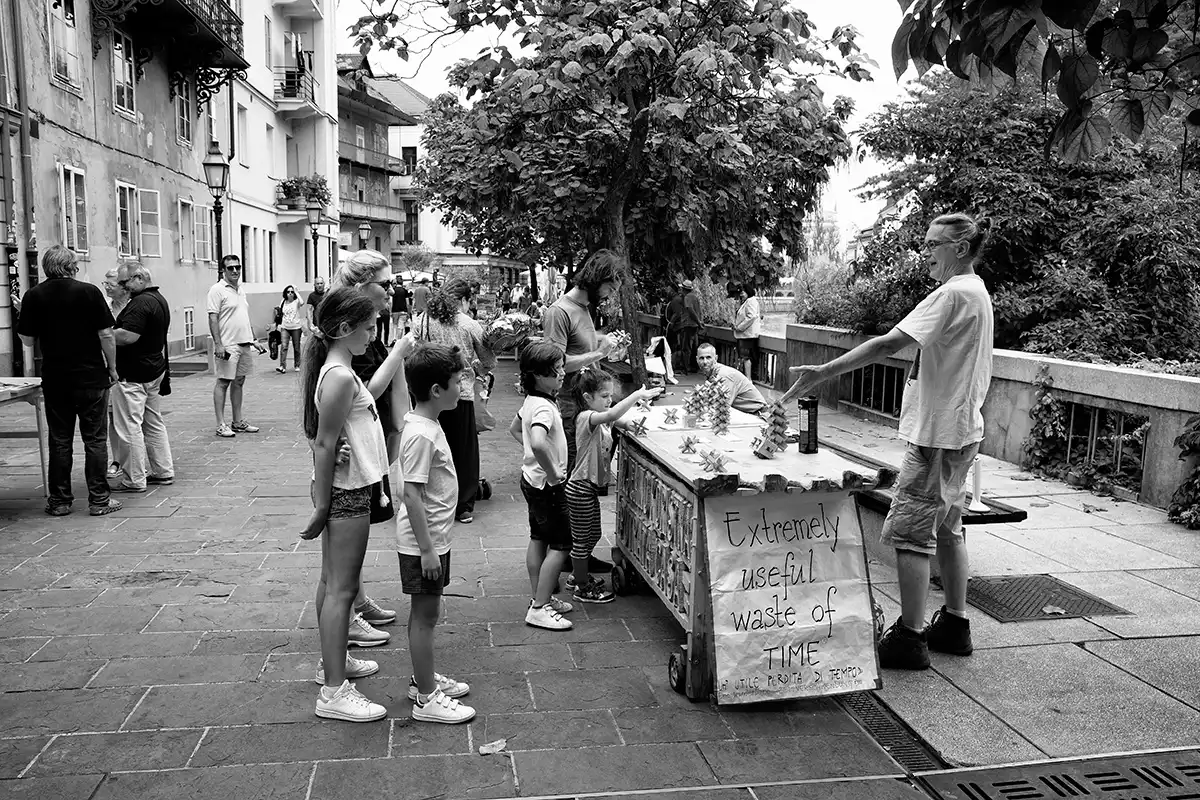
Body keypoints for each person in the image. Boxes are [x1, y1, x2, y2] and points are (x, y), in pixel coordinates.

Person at [781, 213, 994, 671]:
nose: (927, 254)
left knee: (911, 536)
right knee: (948, 527)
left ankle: (910, 637)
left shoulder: (952, 293)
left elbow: (885, 344)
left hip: (938, 436)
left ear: (959, 248)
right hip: (961, 430)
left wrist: (822, 372)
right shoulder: (978, 293)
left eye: (934, 244)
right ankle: (955, 624)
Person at [300, 286, 403, 723]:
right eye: (368, 327)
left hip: (345, 489)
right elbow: (324, 443)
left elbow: (357, 409)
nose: (372, 334)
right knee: (342, 588)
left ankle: (334, 662)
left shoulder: (339, 370)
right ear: (344, 329)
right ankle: (333, 691)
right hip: (345, 493)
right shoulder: (338, 375)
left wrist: (398, 353)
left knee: (333, 583)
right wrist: (322, 506)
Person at [329, 250, 417, 642]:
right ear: (363, 287)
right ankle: (344, 619)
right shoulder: (348, 339)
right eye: (385, 283)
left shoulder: (361, 329)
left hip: (365, 444)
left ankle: (356, 602)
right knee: (341, 546)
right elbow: (363, 391)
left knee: (354, 538)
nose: (392, 289)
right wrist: (398, 353)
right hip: (351, 453)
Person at [395, 342, 476, 724]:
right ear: (435, 390)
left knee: (427, 612)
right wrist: (427, 551)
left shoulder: (427, 425)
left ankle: (421, 679)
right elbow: (410, 494)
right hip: (422, 542)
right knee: (425, 616)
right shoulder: (421, 434)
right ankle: (427, 698)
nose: (462, 388)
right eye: (457, 382)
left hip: (432, 538)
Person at [16, 246, 122, 516]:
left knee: (60, 440)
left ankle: (60, 501)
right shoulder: (89, 292)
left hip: (56, 378)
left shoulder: (33, 295)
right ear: (71, 266)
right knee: (95, 440)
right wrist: (112, 368)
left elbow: (27, 341)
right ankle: (99, 500)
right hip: (90, 377)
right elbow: (106, 335)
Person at [565, 369, 662, 603]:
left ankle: (577, 575)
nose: (610, 401)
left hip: (588, 488)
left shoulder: (603, 416)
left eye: (611, 396)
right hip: (579, 488)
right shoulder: (586, 417)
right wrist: (637, 396)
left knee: (593, 534)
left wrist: (636, 424)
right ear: (588, 398)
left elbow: (622, 420)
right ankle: (582, 586)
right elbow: (612, 415)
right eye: (605, 396)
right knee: (582, 538)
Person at [412, 277, 495, 524]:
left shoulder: (423, 320)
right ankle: (463, 505)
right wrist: (476, 367)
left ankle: (430, 499)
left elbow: (414, 352)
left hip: (429, 394)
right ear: (463, 299)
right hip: (461, 393)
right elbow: (489, 361)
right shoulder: (469, 324)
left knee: (430, 446)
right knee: (463, 451)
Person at [510, 341, 575, 631]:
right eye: (557, 370)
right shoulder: (544, 409)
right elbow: (537, 441)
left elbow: (515, 430)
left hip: (531, 480)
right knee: (561, 545)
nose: (562, 373)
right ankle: (539, 608)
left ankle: (541, 597)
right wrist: (552, 471)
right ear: (539, 375)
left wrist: (534, 458)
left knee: (538, 537)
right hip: (547, 486)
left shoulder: (532, 401)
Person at [541, 250, 620, 478]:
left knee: (585, 471)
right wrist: (598, 353)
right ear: (597, 280)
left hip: (586, 404)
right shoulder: (559, 311)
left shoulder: (584, 308)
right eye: (610, 289)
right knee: (573, 473)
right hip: (570, 407)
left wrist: (601, 340)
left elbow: (578, 343)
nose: (609, 296)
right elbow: (555, 363)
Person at [109, 262, 174, 493]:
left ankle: (134, 479)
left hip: (134, 373)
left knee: (129, 426)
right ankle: (163, 470)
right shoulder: (158, 298)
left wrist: (102, 335)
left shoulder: (140, 303)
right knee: (153, 422)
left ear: (138, 278)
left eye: (125, 282)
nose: (122, 287)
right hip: (153, 369)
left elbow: (128, 336)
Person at [207, 255, 267, 438]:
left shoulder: (240, 290)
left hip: (244, 343)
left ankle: (238, 421)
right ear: (223, 271)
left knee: (239, 382)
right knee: (223, 382)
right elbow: (212, 317)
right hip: (228, 344)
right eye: (230, 268)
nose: (235, 271)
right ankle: (220, 424)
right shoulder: (217, 290)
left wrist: (253, 339)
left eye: (237, 267)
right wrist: (218, 344)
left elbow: (243, 317)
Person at [102, 268, 131, 480]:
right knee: (113, 417)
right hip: (110, 369)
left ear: (123, 287)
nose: (107, 287)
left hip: (132, 369)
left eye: (110, 284)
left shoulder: (135, 307)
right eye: (105, 284)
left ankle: (134, 461)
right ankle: (117, 460)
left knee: (134, 419)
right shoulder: (105, 308)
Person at [695, 343, 767, 415]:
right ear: (697, 359)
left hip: (758, 414)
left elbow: (722, 407)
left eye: (708, 358)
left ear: (716, 358)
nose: (705, 362)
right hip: (746, 413)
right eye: (701, 358)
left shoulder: (723, 376)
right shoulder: (711, 374)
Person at [670, 280, 703, 374]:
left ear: (684, 289)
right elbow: (699, 311)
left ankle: (686, 369)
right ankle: (694, 367)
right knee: (694, 346)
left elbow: (690, 310)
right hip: (695, 325)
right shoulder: (695, 297)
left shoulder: (687, 297)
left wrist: (698, 322)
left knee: (686, 347)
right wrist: (699, 322)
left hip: (688, 324)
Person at [733, 284, 762, 380]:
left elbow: (751, 316)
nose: (741, 294)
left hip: (747, 335)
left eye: (743, 292)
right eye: (740, 292)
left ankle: (748, 379)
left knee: (746, 357)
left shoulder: (751, 301)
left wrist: (739, 327)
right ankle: (747, 378)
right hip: (745, 335)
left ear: (748, 292)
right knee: (745, 357)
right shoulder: (746, 302)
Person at [276, 285, 304, 374]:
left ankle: (297, 365)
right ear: (285, 293)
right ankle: (282, 366)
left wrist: (297, 292)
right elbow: (280, 313)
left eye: (292, 292)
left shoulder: (296, 302)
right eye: (288, 292)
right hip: (285, 327)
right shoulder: (283, 301)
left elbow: (302, 302)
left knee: (296, 347)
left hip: (296, 327)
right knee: (284, 347)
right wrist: (279, 325)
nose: (290, 294)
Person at [304, 276, 327, 346]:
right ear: (314, 285)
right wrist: (310, 324)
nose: (319, 285)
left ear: (324, 284)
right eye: (317, 284)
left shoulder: (328, 294)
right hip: (317, 325)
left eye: (321, 283)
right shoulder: (312, 296)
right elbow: (309, 310)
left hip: (327, 324)